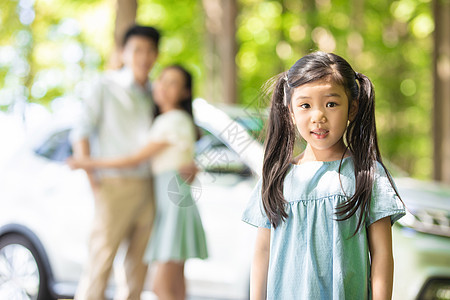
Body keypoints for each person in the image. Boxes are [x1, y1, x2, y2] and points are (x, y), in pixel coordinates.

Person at [242, 51, 406, 299]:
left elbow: (382, 255)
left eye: (331, 104)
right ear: (290, 112)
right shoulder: (277, 177)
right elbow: (263, 251)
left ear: (352, 108)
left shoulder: (367, 175)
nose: (318, 116)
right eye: (305, 105)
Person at [69, 65, 208, 300]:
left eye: (172, 83)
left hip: (172, 205)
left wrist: (88, 163)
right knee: (175, 282)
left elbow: (135, 159)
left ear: (185, 93)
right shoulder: (170, 119)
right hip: (172, 202)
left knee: (162, 286)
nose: (162, 87)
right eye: (161, 80)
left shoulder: (171, 120)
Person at [70, 25, 159, 300]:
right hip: (112, 186)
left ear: (156, 55)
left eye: (149, 50)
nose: (143, 57)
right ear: (123, 53)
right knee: (100, 265)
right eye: (137, 50)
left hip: (149, 187)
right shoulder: (105, 85)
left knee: (138, 271)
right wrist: (94, 185)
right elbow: (81, 132)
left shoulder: (156, 93)